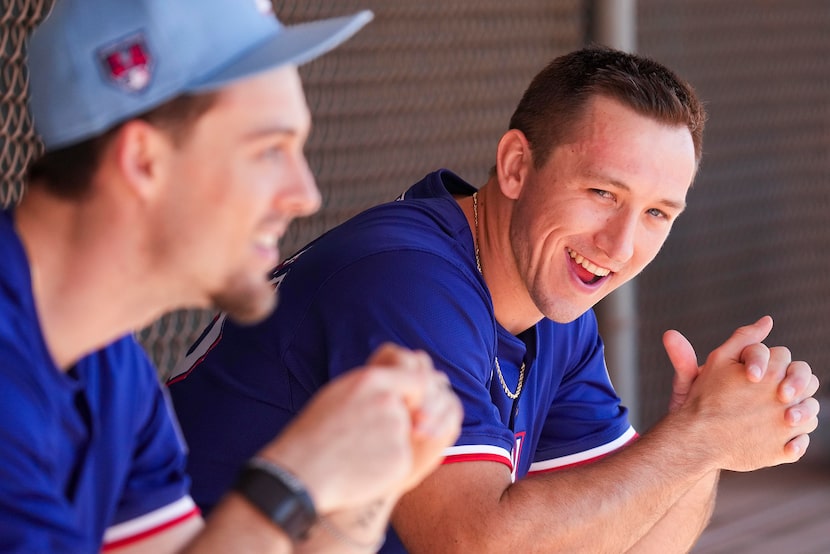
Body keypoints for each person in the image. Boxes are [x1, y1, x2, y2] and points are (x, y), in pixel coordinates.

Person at [167, 46, 821, 553]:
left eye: (657, 213)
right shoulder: (407, 279)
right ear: (514, 166)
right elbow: (469, 542)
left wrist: (698, 436)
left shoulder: (555, 303)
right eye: (602, 193)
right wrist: (696, 440)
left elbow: (633, 541)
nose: (621, 244)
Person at [0, 0, 463, 552]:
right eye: (270, 151)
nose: (305, 196)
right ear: (144, 162)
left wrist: (368, 485)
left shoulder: (109, 367)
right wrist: (296, 476)